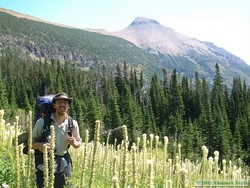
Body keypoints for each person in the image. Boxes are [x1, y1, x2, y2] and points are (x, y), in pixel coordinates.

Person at [32, 92, 82, 188]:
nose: (62, 104)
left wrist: (75, 143)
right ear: (54, 105)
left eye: (65, 102)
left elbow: (79, 141)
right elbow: (30, 143)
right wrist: (39, 145)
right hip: (43, 166)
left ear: (68, 106)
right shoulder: (42, 122)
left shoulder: (72, 124)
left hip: (63, 167)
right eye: (59, 102)